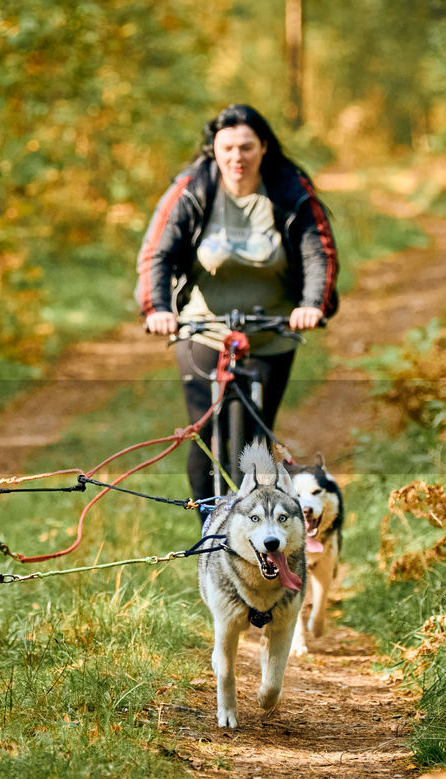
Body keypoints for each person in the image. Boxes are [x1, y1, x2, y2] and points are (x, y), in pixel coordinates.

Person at [134, 104, 338, 515]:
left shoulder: (288, 189)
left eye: (246, 147)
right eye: (227, 148)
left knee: (255, 445)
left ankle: (255, 525)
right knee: (203, 433)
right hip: (203, 330)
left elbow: (318, 252)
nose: (236, 157)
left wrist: (312, 306)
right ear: (214, 149)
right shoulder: (193, 187)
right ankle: (210, 529)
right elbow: (158, 253)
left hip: (272, 330)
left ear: (263, 147)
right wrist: (157, 308)